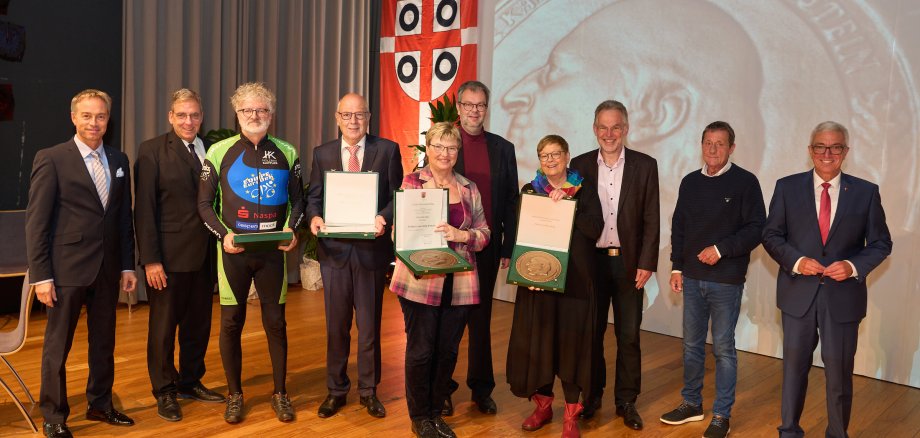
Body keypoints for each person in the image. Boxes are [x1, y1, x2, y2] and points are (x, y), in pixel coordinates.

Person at [763, 121, 892, 438]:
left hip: (843, 299)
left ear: (845, 152)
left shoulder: (865, 192)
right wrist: (797, 260)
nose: (827, 153)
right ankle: (789, 431)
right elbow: (771, 235)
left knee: (839, 376)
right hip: (797, 297)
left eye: (835, 147)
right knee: (793, 372)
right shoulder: (786, 187)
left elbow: (880, 243)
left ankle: (837, 433)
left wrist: (851, 265)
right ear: (810, 150)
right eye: (820, 146)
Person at [26, 89, 138, 438]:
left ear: (108, 119)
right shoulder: (52, 158)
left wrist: (127, 266)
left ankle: (100, 404)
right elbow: (37, 222)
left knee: (104, 342)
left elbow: (122, 219)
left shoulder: (119, 161)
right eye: (87, 116)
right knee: (58, 347)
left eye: (101, 116)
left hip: (107, 269)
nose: (94, 123)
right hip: (65, 271)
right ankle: (54, 415)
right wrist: (41, 275)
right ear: (74, 118)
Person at [197, 82, 304, 424]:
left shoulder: (287, 151)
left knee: (276, 323)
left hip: (273, 253)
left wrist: (291, 230)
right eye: (248, 110)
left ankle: (280, 393)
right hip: (234, 252)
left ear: (271, 115)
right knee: (231, 323)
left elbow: (298, 200)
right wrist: (223, 235)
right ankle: (235, 394)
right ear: (237, 114)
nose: (255, 115)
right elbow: (203, 203)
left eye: (262, 110)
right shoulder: (218, 152)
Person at [659, 121, 765, 438]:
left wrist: (721, 249)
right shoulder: (690, 182)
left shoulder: (746, 182)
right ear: (701, 145)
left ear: (732, 147)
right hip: (691, 278)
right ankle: (691, 404)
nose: (713, 149)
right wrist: (677, 267)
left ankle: (721, 415)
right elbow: (679, 226)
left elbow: (757, 228)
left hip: (726, 281)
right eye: (708, 142)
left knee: (723, 349)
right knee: (691, 346)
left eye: (720, 143)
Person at [389, 122, 491, 438]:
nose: (444, 153)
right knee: (421, 351)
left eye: (451, 147)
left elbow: (485, 234)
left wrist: (463, 235)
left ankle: (435, 413)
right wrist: (403, 235)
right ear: (428, 150)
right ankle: (419, 416)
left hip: (458, 283)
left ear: (457, 152)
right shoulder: (412, 183)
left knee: (447, 352)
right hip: (419, 282)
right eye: (438, 147)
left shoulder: (469, 188)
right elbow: (398, 232)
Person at [306, 92, 403, 419]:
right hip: (334, 254)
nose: (353, 121)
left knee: (370, 325)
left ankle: (368, 390)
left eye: (359, 114)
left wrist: (384, 217)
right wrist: (314, 218)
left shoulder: (387, 150)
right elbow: (313, 198)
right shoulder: (323, 154)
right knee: (336, 327)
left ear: (369, 116)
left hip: (370, 253)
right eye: (347, 115)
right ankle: (336, 390)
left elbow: (397, 196)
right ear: (337, 118)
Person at [134, 88, 225, 422]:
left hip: (205, 256)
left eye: (195, 115)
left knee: (198, 324)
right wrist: (151, 259)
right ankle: (164, 390)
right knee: (162, 328)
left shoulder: (211, 150)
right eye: (182, 115)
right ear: (171, 117)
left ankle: (190, 381)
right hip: (168, 259)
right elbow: (143, 210)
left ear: (202, 118)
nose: (189, 121)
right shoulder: (151, 151)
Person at [569, 100, 659, 429]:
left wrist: (647, 262)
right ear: (595, 129)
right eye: (603, 127)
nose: (609, 133)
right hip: (590, 265)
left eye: (616, 127)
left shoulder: (645, 165)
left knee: (629, 335)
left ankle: (626, 400)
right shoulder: (578, 166)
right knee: (590, 335)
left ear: (626, 129)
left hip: (629, 264)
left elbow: (652, 218)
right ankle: (591, 397)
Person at [506, 135, 603, 438]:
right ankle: (543, 406)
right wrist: (525, 274)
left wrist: (568, 207)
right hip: (539, 284)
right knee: (540, 347)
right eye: (544, 155)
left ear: (567, 155)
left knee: (571, 349)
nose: (550, 160)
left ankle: (571, 417)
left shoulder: (583, 191)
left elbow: (595, 228)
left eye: (555, 154)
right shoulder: (529, 191)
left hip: (574, 285)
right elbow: (520, 234)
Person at [446, 80, 519, 415]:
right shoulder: (444, 144)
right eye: (468, 104)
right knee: (448, 320)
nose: (474, 110)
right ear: (458, 107)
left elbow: (510, 202)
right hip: (449, 246)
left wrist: (508, 247)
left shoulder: (503, 149)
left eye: (481, 105)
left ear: (486, 109)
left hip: (487, 246)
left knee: (481, 319)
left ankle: (481, 388)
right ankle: (442, 387)